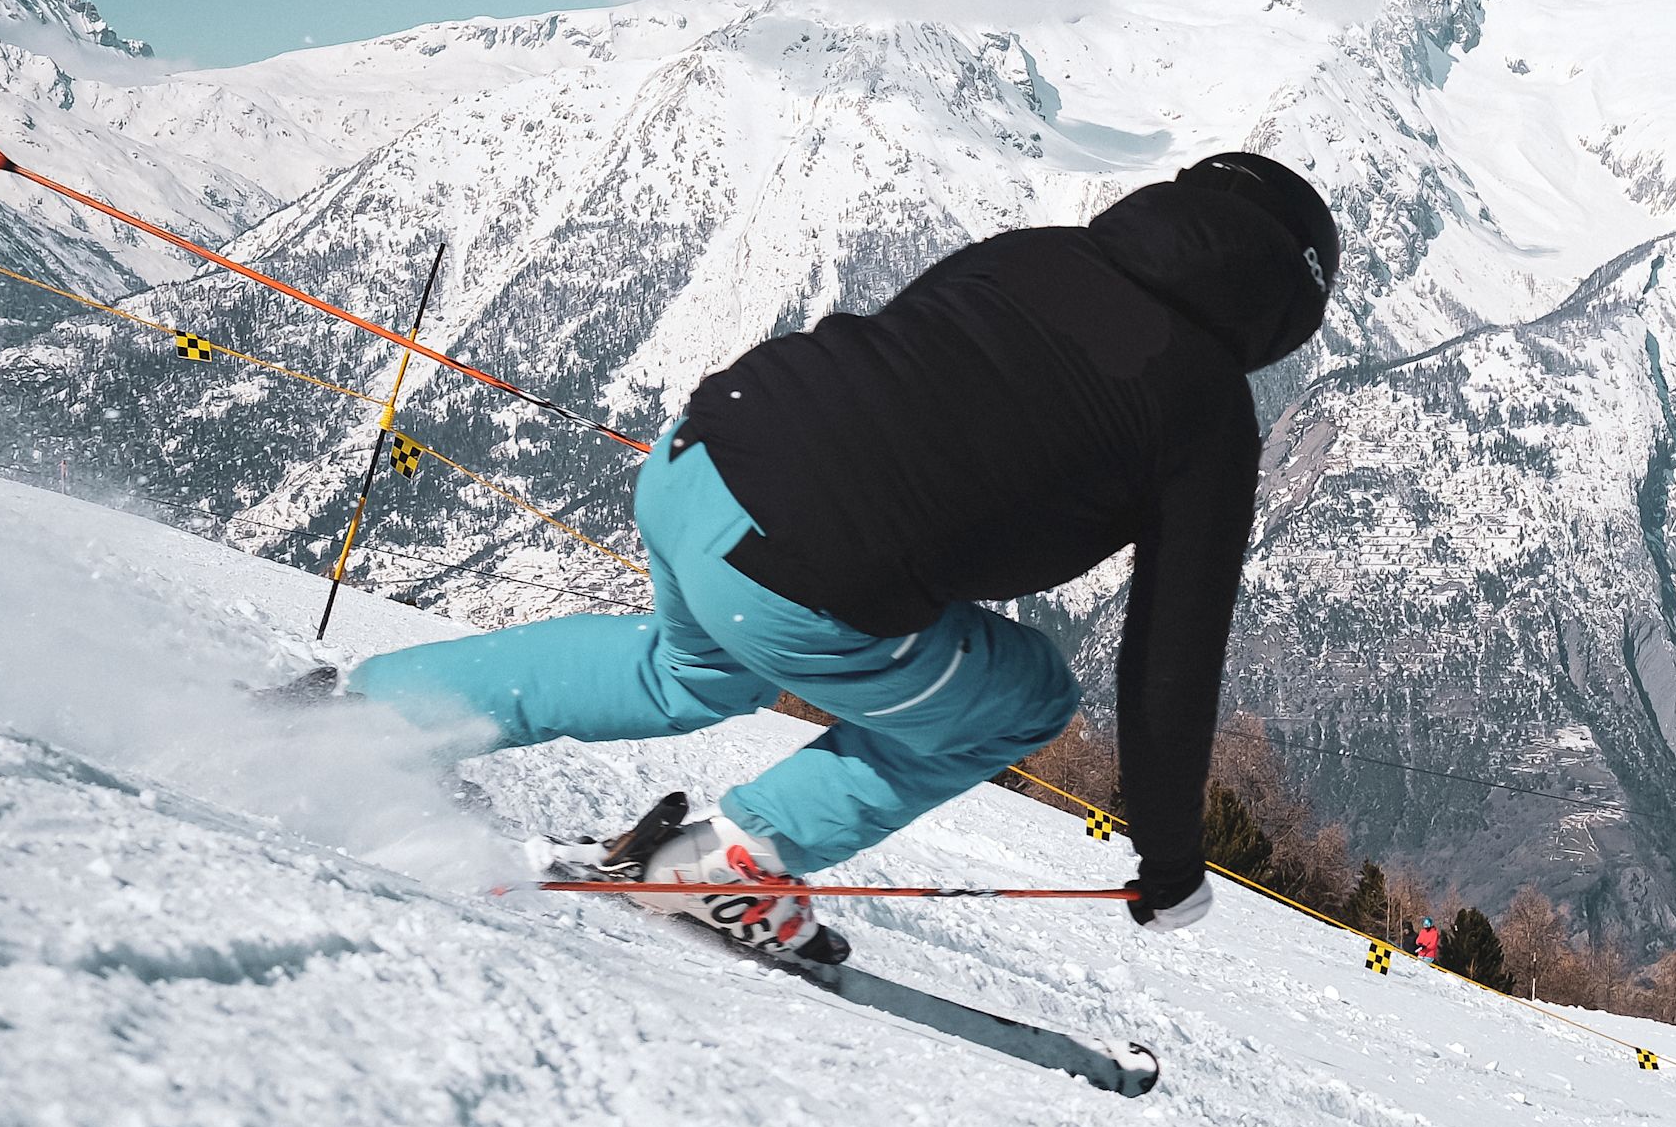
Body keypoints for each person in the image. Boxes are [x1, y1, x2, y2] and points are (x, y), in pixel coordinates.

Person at [354, 152, 1337, 956]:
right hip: (796, 578)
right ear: (1284, 304)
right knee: (1030, 697)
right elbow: (1170, 660)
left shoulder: (1035, 250)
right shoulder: (1209, 413)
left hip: (696, 458)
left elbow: (896, 381)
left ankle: (370, 714)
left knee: (687, 672)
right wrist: (1168, 860)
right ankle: (730, 866)